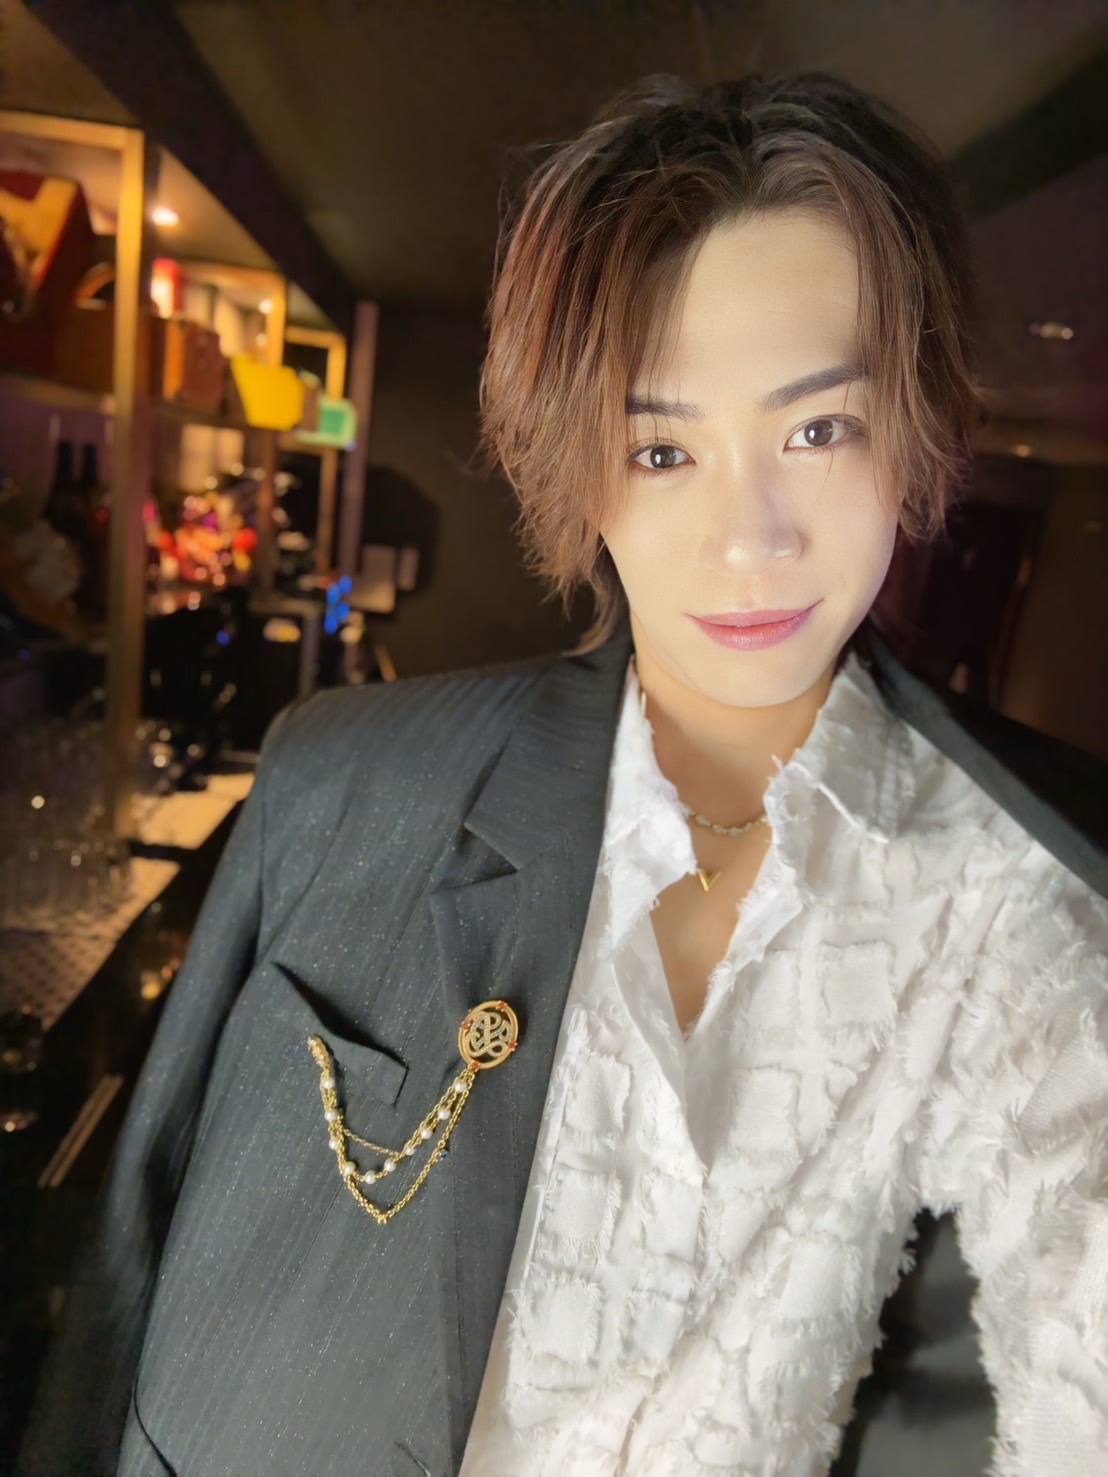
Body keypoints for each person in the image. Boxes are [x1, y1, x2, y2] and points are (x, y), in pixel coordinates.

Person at [20, 73, 1107, 1477]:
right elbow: (125, 1291)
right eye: (662, 448)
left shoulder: (1021, 895)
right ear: (582, 469)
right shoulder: (349, 784)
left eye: (817, 429)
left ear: (907, 426)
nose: (749, 536)